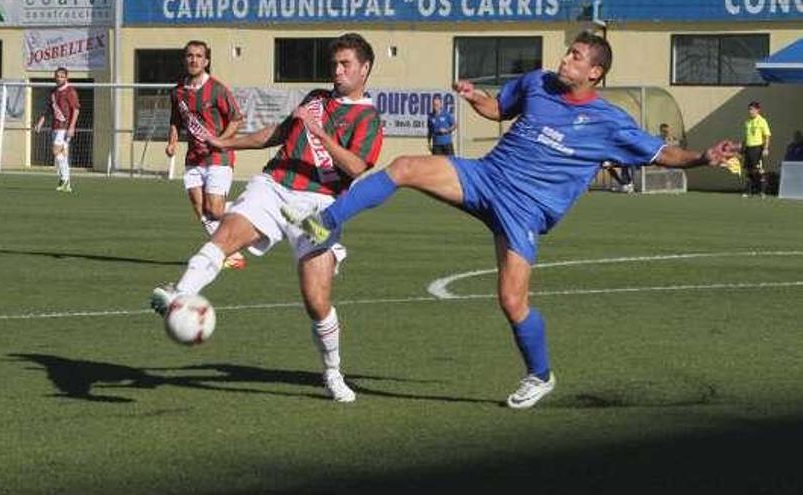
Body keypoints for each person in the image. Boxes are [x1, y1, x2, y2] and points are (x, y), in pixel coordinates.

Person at [283, 31, 737, 409]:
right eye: (568, 52)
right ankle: (323, 225)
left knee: (512, 301)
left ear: (595, 72)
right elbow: (499, 108)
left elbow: (662, 153)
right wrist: (474, 96)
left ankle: (539, 375)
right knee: (404, 167)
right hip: (487, 177)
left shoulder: (609, 121)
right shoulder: (538, 82)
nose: (565, 59)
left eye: (576, 56)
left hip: (524, 209)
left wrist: (701, 156)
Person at [150, 33, 384, 403]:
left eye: (346, 65)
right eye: (334, 64)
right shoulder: (315, 99)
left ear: (365, 68)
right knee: (225, 234)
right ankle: (180, 295)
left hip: (318, 206)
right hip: (273, 186)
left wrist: (319, 132)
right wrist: (225, 143)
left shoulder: (369, 117)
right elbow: (275, 134)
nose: (337, 72)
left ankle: (333, 372)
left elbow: (355, 167)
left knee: (316, 300)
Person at [167, 40, 247, 269]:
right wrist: (172, 142)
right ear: (185, 59)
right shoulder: (178, 92)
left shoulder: (217, 89)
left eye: (199, 56)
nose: (194, 60)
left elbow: (237, 119)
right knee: (201, 210)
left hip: (218, 158)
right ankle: (231, 254)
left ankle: (252, 207)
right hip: (193, 157)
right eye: (190, 56)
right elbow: (175, 120)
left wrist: (221, 141)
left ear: (206, 61)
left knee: (215, 210)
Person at [34, 67, 79, 192]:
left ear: (66, 77)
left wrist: (72, 127)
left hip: (64, 127)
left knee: (55, 151)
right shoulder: (53, 92)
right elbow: (49, 109)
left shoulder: (70, 91)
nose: (58, 78)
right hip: (55, 126)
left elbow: (76, 109)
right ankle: (67, 184)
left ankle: (64, 178)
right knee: (63, 154)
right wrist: (40, 123)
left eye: (61, 76)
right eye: (57, 76)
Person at [741, 101, 771, 198]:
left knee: (759, 170)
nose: (750, 111)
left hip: (757, 148)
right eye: (749, 109)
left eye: (752, 109)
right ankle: (748, 191)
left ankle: (762, 192)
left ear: (758, 110)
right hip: (748, 148)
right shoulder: (747, 122)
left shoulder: (762, 121)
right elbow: (746, 137)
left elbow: (767, 136)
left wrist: (766, 148)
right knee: (749, 170)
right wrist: (743, 147)